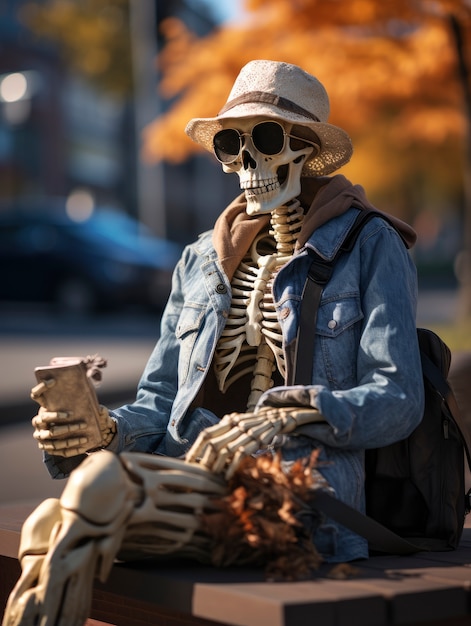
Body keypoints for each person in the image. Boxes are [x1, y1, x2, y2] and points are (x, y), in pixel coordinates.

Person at [30, 59, 424, 565]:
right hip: (189, 472)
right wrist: (104, 430)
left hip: (295, 498)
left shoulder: (371, 244)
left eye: (264, 138)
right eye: (229, 145)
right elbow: (161, 399)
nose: (246, 162)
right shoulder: (199, 258)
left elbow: (399, 397)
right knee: (57, 520)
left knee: (78, 517)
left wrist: (288, 417)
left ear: (304, 147)